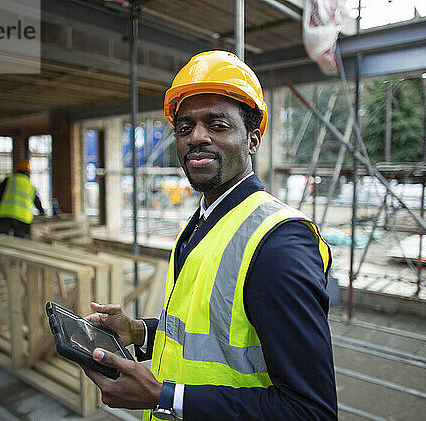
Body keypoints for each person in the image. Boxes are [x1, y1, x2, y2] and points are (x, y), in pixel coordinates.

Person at [83, 50, 337, 420]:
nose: (196, 137)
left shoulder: (278, 243)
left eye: (217, 125)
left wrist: (164, 396)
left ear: (253, 139)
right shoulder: (205, 220)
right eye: (185, 127)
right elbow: (214, 341)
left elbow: (310, 411)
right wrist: (138, 332)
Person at [0, 160, 45, 238]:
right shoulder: (31, 186)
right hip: (23, 218)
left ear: (17, 170)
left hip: (5, 215)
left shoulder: (9, 180)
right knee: (19, 241)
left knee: (1, 239)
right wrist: (42, 212)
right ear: (29, 172)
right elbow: (37, 202)